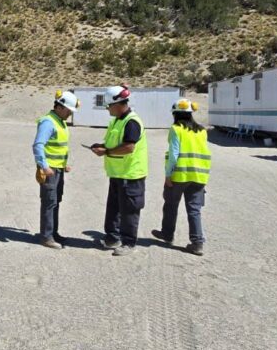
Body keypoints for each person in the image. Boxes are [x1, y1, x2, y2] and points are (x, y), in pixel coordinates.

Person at [90, 85, 147, 257]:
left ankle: (129, 242)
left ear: (118, 104)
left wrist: (106, 152)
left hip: (131, 174)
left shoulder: (132, 122)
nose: (107, 109)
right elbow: (114, 143)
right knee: (114, 208)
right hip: (117, 173)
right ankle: (112, 238)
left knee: (129, 211)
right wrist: (102, 146)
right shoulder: (117, 120)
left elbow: (129, 147)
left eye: (109, 106)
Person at [152, 99, 211, 256]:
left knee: (171, 205)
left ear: (175, 114)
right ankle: (197, 243)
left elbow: (174, 154)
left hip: (179, 175)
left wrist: (168, 175)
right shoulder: (202, 131)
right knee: (194, 210)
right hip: (199, 176)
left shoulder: (176, 129)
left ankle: (167, 234)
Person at [32, 90, 80, 249]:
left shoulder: (60, 121)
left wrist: (63, 164)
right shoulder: (48, 122)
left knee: (56, 201)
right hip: (50, 170)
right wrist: (44, 166)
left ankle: (53, 232)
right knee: (49, 202)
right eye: (68, 111)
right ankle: (46, 237)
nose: (70, 114)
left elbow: (58, 147)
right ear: (59, 107)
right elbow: (38, 145)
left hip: (58, 169)